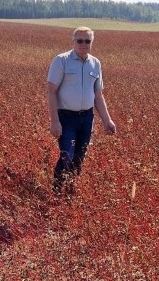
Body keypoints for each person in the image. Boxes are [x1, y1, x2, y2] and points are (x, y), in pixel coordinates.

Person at [46, 26, 116, 196]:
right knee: (66, 155)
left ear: (91, 43)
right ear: (73, 41)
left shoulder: (95, 63)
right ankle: (56, 192)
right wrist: (54, 121)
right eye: (80, 40)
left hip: (86, 118)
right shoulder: (61, 60)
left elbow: (98, 95)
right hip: (66, 118)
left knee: (79, 157)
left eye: (87, 41)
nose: (83, 44)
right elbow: (51, 91)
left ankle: (70, 192)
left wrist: (108, 120)